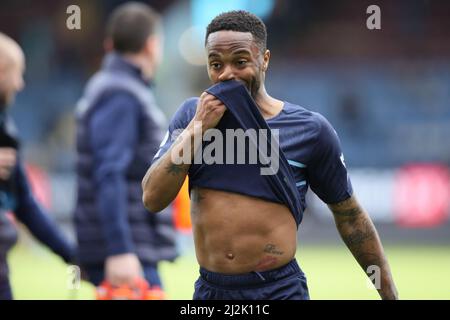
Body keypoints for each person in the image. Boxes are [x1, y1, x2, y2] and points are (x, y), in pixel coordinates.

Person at [142, 10, 398, 300]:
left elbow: (350, 216)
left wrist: (389, 294)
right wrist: (197, 128)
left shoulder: (310, 130)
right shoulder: (191, 116)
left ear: (264, 60)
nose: (226, 74)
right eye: (216, 64)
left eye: (240, 61)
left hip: (279, 290)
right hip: (212, 292)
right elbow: (152, 198)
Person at [74, 2, 177, 294]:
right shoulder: (121, 92)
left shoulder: (111, 86)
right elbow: (109, 172)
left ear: (110, 45)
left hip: (129, 244)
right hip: (127, 250)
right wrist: (119, 249)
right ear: (152, 45)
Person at [0, 33, 75, 300]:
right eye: (16, 74)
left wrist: (71, 255)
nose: (20, 84)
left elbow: (25, 204)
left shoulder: (6, 129)